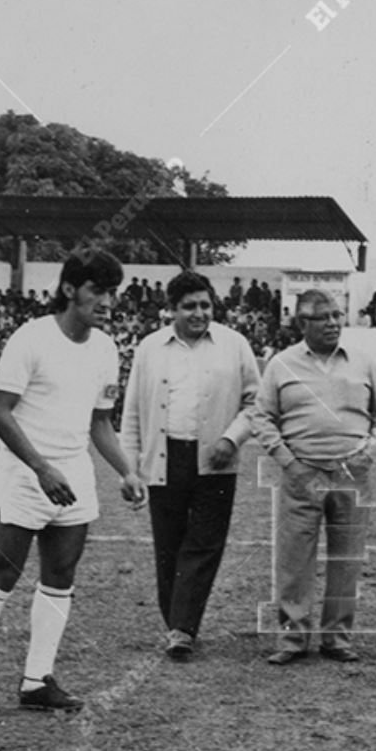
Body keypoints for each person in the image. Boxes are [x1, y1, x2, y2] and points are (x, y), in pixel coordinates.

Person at [0, 251, 145, 718]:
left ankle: (37, 680)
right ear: (70, 289)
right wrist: (40, 468)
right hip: (24, 473)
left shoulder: (106, 348)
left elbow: (100, 423)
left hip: (74, 475)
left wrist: (126, 470)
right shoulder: (30, 338)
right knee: (3, 574)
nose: (107, 301)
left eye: (113, 292)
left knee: (60, 577)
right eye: (98, 289)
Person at [251, 290, 376, 666]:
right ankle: (292, 638)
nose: (334, 323)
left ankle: (337, 636)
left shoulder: (363, 363)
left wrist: (369, 451)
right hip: (301, 475)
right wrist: (288, 461)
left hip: (352, 473)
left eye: (338, 315)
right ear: (302, 323)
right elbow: (261, 417)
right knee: (293, 558)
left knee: (346, 558)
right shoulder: (281, 365)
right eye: (324, 317)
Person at [119, 270, 260, 660]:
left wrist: (231, 439)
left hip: (216, 461)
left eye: (205, 305)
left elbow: (255, 403)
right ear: (171, 310)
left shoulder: (234, 345)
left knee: (204, 543)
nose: (199, 313)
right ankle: (176, 623)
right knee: (169, 546)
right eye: (189, 306)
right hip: (163, 460)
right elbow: (132, 413)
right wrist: (129, 469)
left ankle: (183, 628)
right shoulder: (150, 348)